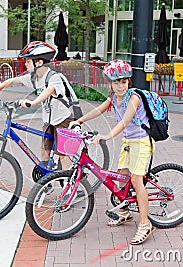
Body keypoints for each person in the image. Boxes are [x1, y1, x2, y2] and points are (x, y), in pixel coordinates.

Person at [69, 59, 156, 245]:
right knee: (121, 177)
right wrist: (79, 121)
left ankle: (145, 223)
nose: (120, 86)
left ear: (128, 82)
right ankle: (124, 212)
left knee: (135, 180)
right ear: (110, 83)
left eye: (123, 82)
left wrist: (106, 136)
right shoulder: (113, 97)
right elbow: (98, 110)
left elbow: (124, 122)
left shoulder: (134, 97)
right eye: (116, 82)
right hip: (128, 142)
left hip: (141, 142)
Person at [0, 41, 75, 169]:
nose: (25, 64)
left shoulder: (53, 77)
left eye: (28, 61)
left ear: (39, 63)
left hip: (62, 119)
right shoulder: (34, 77)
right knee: (45, 151)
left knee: (62, 155)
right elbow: (13, 80)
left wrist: (33, 102)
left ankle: (71, 183)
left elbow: (49, 90)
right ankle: (46, 180)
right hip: (49, 121)